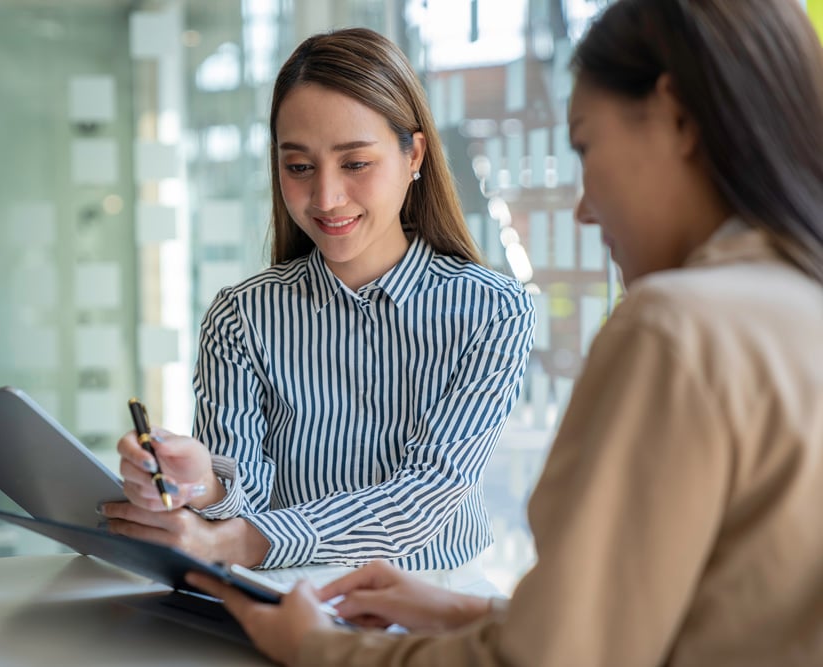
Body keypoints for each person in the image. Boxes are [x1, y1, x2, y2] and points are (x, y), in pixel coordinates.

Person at [185, 0, 823, 664]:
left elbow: (549, 656)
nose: (581, 204)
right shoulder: (799, 299)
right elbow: (676, 615)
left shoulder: (674, 329)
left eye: (584, 146)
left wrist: (319, 649)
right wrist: (470, 611)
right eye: (299, 166)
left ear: (677, 120)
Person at [101, 27, 535, 589]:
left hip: (436, 600)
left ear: (415, 155)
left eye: (355, 164)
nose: (326, 198)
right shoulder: (242, 317)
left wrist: (240, 542)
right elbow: (244, 493)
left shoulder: (492, 310)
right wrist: (200, 483)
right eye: (299, 167)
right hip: (281, 591)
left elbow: (422, 502)